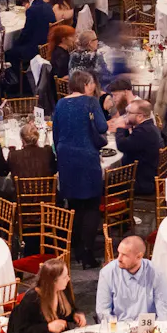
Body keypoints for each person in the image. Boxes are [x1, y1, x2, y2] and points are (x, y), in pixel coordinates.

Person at [54, 69, 112, 268]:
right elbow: (102, 127)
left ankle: (76, 249)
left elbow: (56, 133)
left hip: (66, 157)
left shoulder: (60, 103)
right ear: (86, 84)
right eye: (92, 83)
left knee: (74, 205)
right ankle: (87, 253)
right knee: (91, 205)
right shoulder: (91, 102)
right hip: (86, 157)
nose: (94, 87)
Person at [8, 260, 85, 333]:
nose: (68, 279)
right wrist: (47, 327)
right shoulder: (32, 299)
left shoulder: (62, 290)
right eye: (64, 277)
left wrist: (76, 314)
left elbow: (69, 311)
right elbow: (20, 331)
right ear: (53, 281)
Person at [97, 236, 167, 323]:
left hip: (149, 328)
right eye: (119, 253)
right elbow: (103, 311)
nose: (119, 259)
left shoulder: (157, 273)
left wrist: (156, 330)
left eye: (124, 255)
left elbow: (164, 311)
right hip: (118, 327)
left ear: (139, 256)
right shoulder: (107, 273)